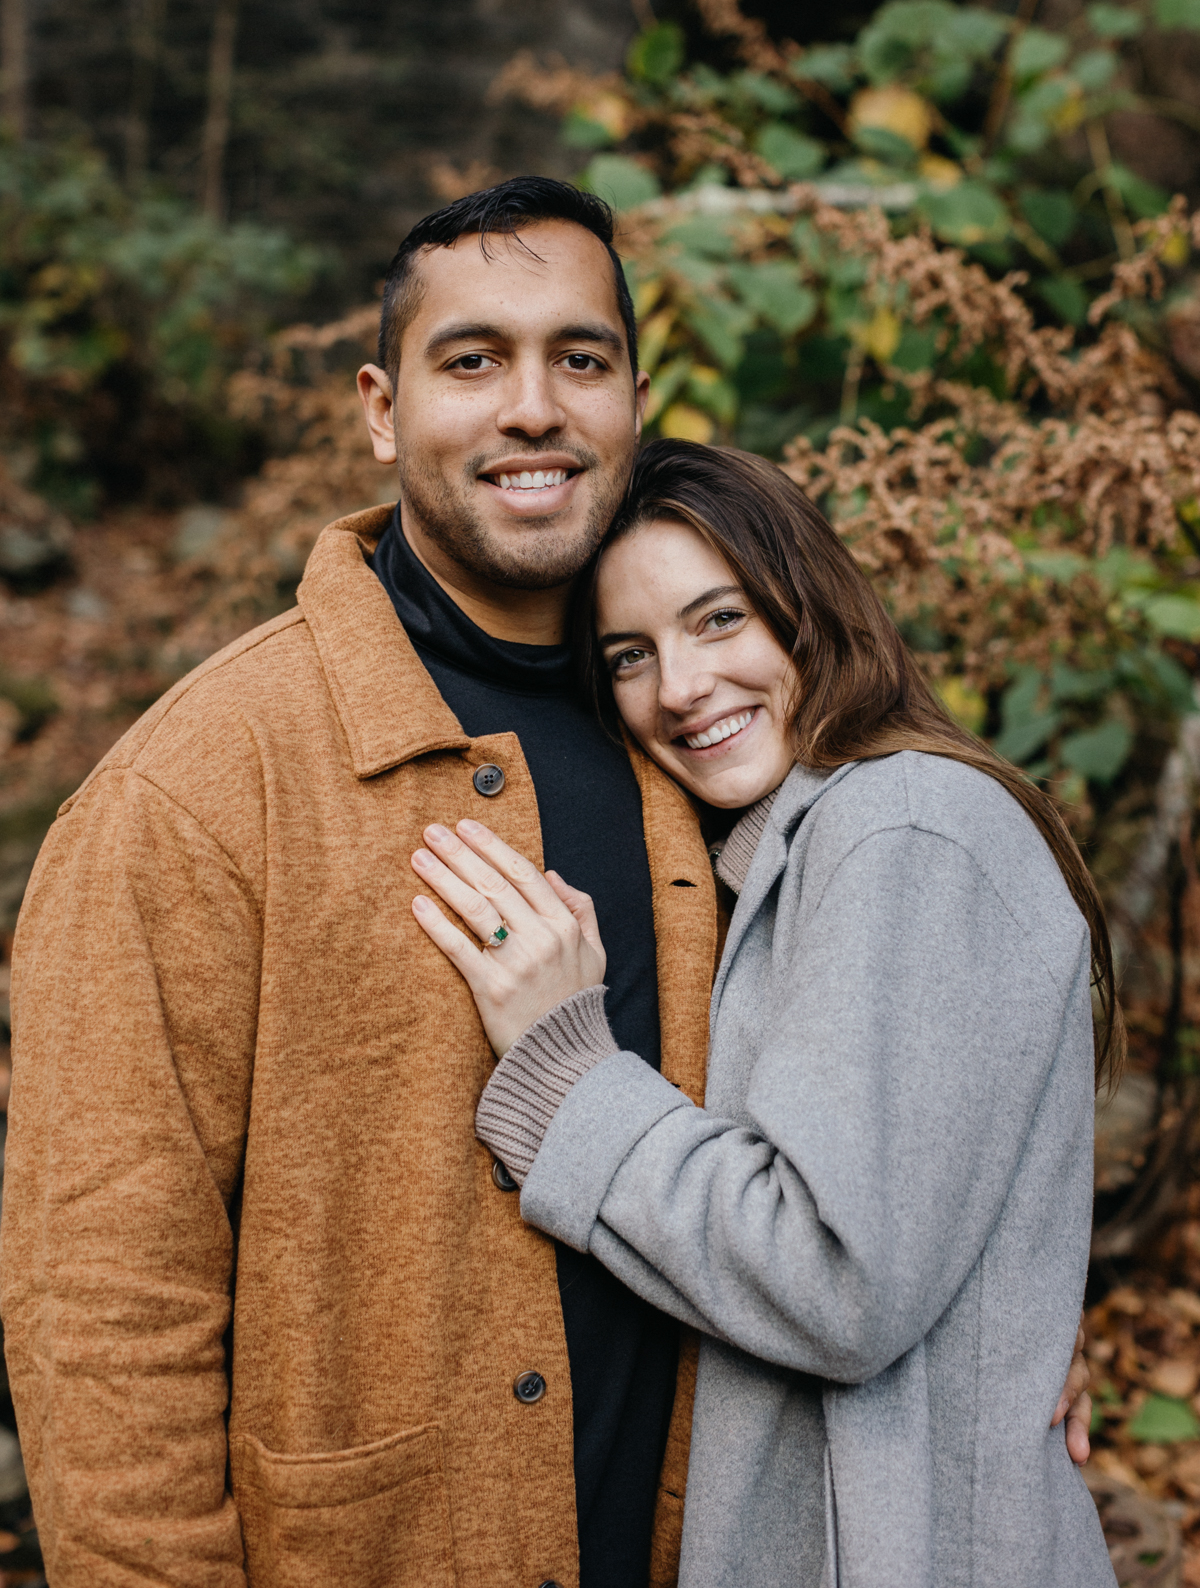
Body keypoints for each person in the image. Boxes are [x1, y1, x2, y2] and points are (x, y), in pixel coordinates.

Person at [0, 180, 1091, 1588]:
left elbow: (880, 1119)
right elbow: (106, 1305)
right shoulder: (196, 792)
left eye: (579, 358)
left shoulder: (699, 742)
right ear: (383, 412)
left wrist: (993, 1332)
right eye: (474, 361)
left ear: (633, 397)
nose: (533, 406)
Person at [409, 438, 1119, 1588]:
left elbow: (838, 1279)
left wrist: (570, 1076)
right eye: (630, 654)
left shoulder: (900, 827)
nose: (680, 688)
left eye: (719, 619)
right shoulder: (783, 851)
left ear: (809, 608)